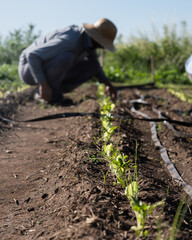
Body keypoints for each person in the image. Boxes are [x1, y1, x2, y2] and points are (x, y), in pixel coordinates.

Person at [18, 18, 117, 103]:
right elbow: (32, 56)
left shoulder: (88, 43)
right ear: (96, 38)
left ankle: (54, 92)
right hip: (28, 69)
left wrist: (108, 84)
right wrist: (43, 85)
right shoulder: (70, 40)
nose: (103, 48)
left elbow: (95, 65)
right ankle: (43, 94)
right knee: (66, 58)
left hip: (43, 67)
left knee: (92, 66)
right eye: (103, 44)